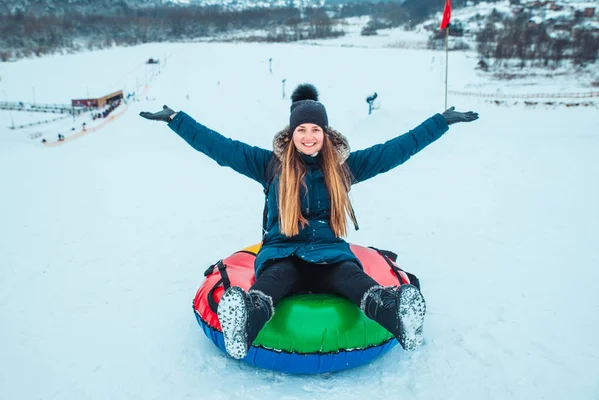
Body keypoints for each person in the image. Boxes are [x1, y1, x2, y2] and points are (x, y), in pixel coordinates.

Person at [140, 84, 478, 360]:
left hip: (329, 253)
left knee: (351, 277)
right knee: (273, 279)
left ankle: (397, 314)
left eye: (315, 129)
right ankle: (244, 321)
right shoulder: (270, 165)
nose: (308, 136)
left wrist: (440, 122)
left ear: (325, 133)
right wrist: (176, 119)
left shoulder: (343, 168)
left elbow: (395, 150)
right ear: (291, 133)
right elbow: (219, 146)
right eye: (301, 129)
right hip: (282, 253)